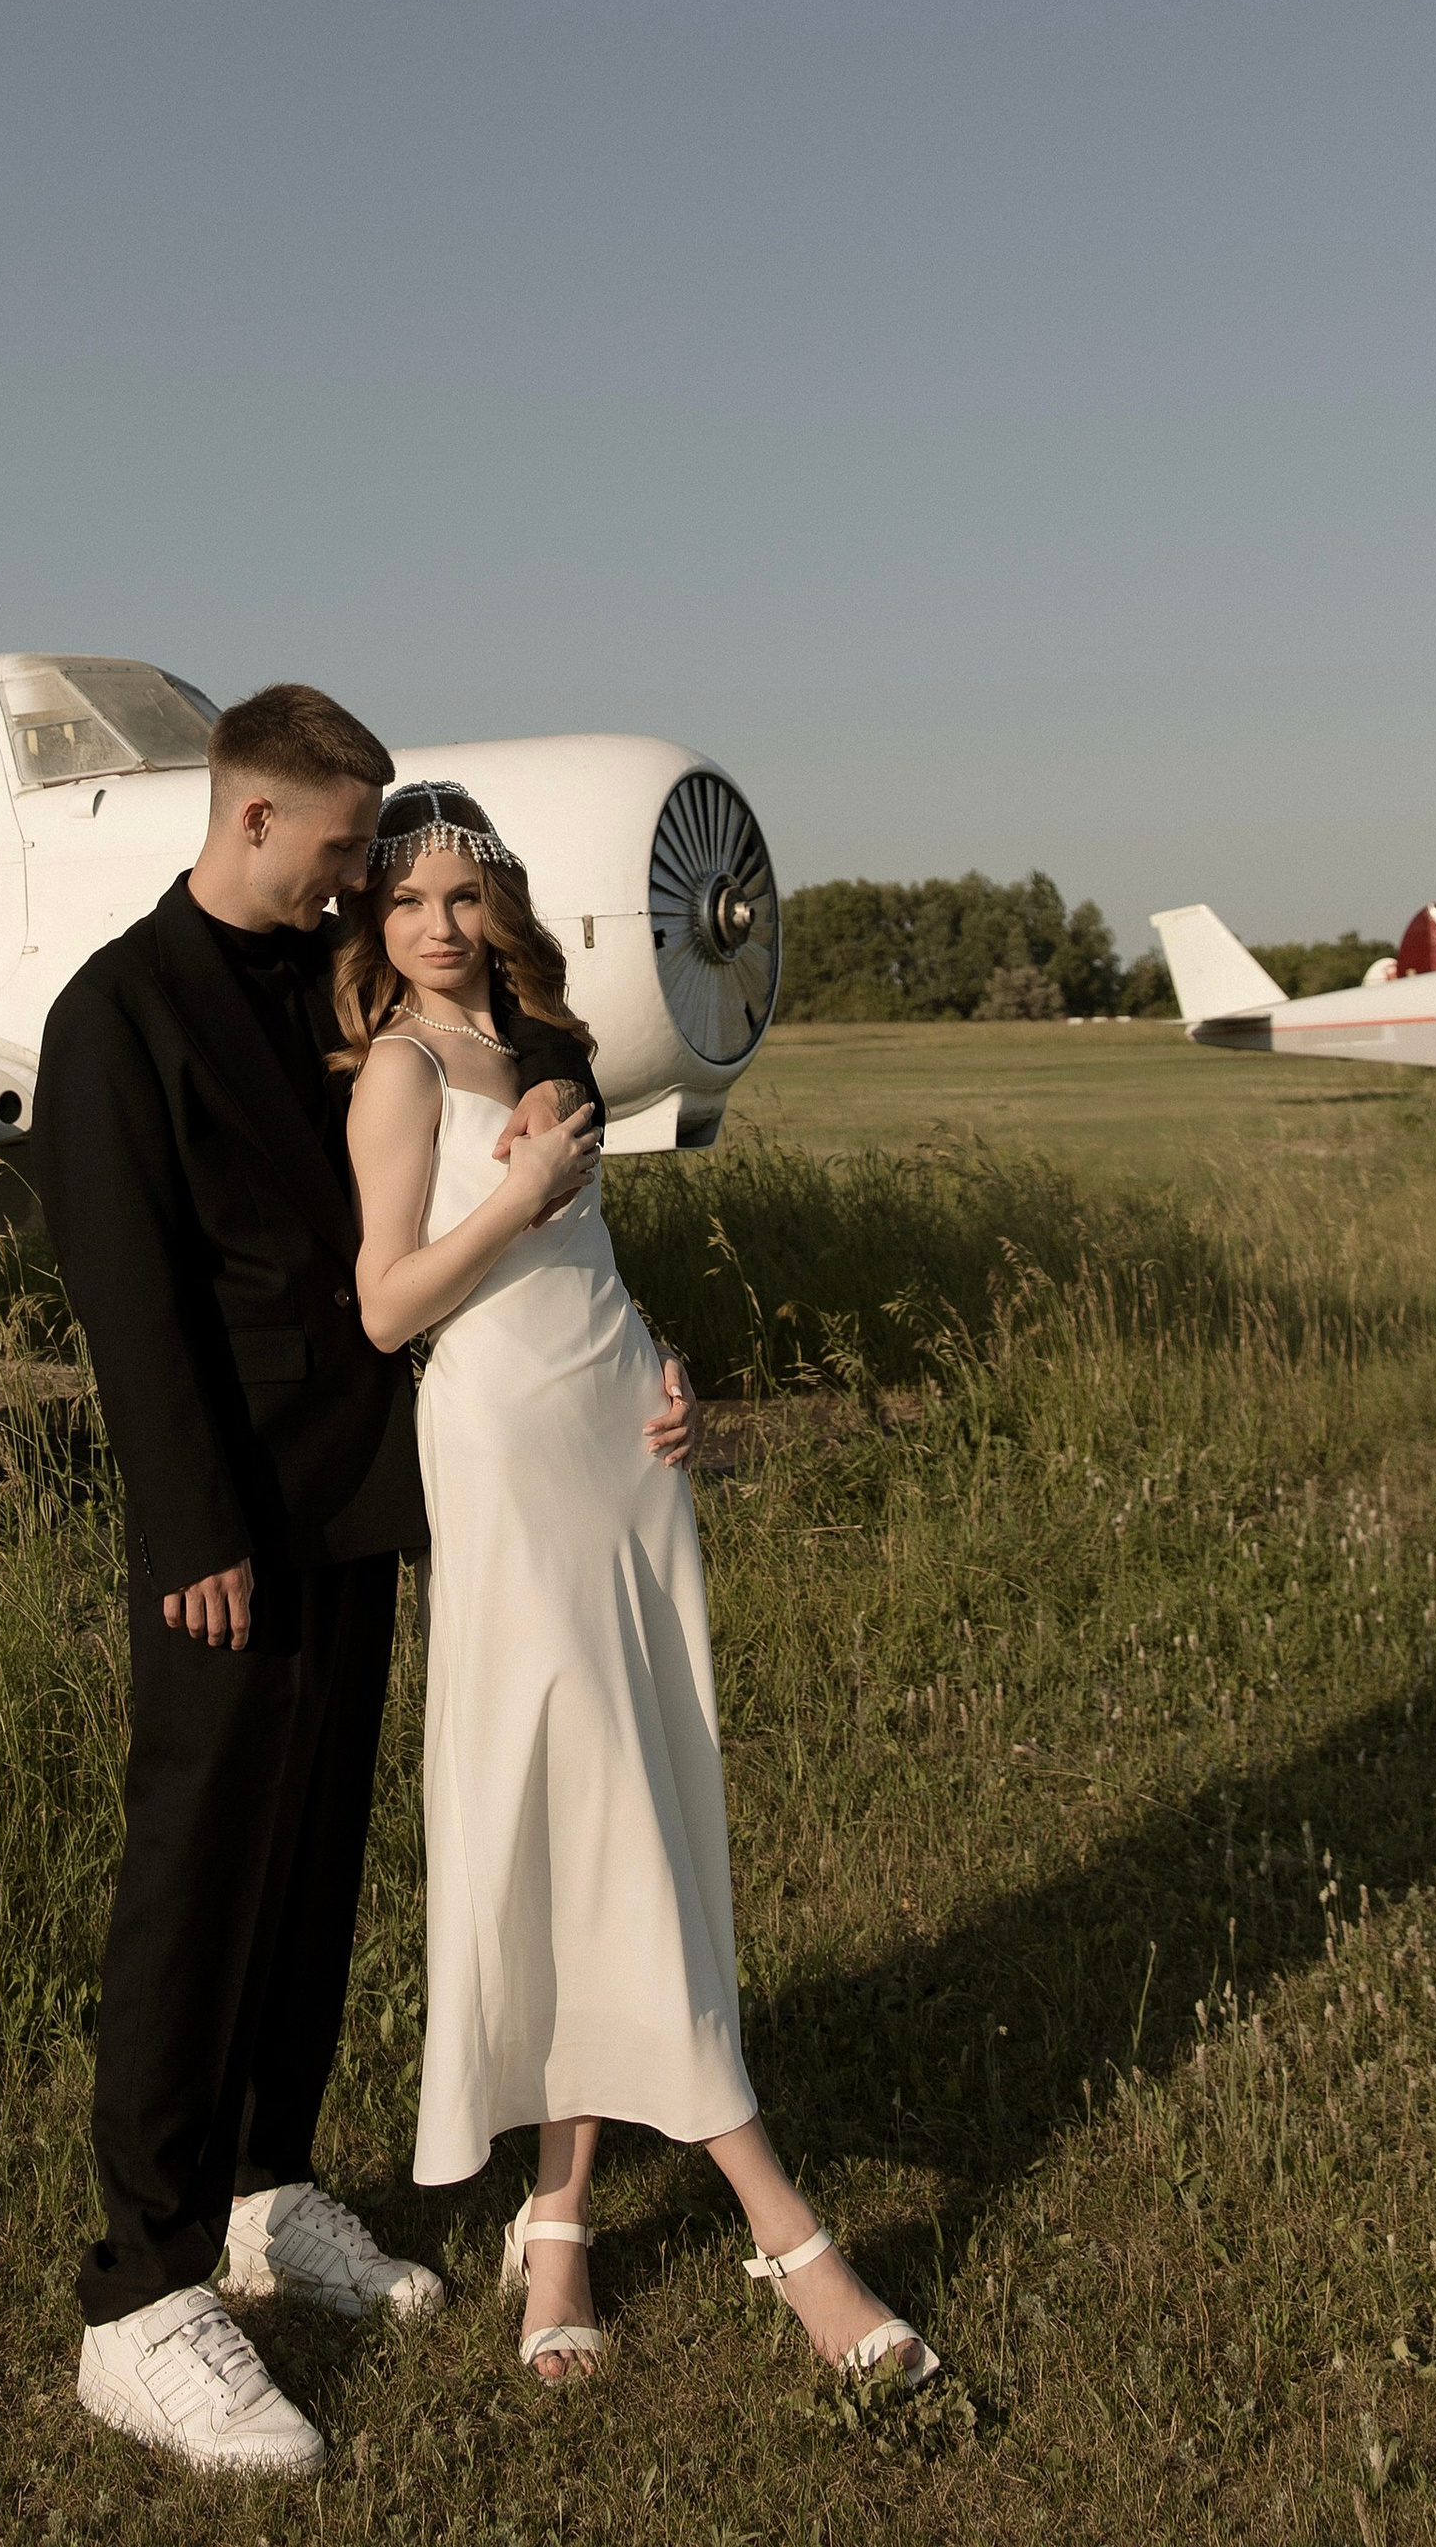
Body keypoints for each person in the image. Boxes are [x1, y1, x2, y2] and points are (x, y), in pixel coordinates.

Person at [33, 686, 599, 2478]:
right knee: (197, 1875)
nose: (367, 885)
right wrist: (187, 1531)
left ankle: (276, 2189)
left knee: (318, 1854)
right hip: (227, 1524)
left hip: (366, 1490)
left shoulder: (330, 986)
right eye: (347, 852)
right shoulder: (116, 1014)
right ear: (255, 819)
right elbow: (128, 1303)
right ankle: (142, 2291)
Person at [339, 781, 942, 2390]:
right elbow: (389, 1306)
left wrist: (664, 1362)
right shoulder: (398, 1075)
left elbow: (586, 1264)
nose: (441, 929)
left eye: (465, 897)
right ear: (375, 925)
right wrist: (513, 1195)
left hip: (621, 1444)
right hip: (506, 1467)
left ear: (503, 909)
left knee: (632, 1806)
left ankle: (560, 2224)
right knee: (574, 1804)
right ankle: (787, 2232)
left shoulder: (546, 1054)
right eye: (408, 903)